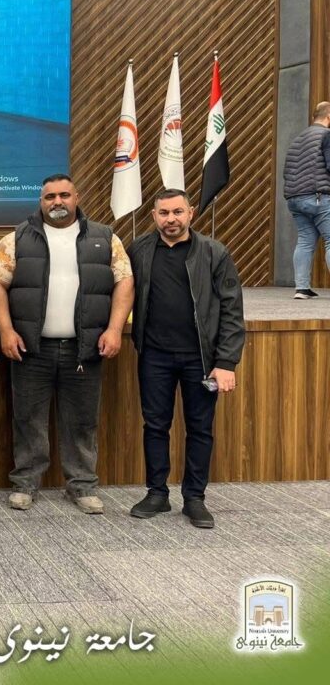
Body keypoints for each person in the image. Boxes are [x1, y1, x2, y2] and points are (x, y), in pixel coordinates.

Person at [0, 174, 134, 514]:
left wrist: (115, 329)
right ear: (41, 201)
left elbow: (125, 282)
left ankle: (82, 486)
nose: (57, 201)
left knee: (82, 420)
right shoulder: (16, 239)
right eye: (49, 196)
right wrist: (6, 330)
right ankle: (25, 483)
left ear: (76, 197)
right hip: (31, 349)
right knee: (28, 419)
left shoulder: (105, 238)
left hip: (84, 348)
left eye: (64, 195)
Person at [128, 189, 245, 528]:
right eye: (164, 213)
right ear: (154, 216)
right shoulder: (139, 250)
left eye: (177, 212)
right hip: (154, 355)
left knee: (200, 428)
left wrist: (226, 362)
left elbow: (232, 309)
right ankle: (157, 493)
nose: (171, 219)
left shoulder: (213, 252)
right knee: (155, 426)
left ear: (191, 213)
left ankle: (194, 498)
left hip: (201, 359)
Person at [282, 100, 330, 299]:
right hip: (318, 197)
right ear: (329, 117)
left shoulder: (298, 139)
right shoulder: (326, 135)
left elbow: (287, 170)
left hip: (295, 198)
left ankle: (301, 288)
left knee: (305, 241)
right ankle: (302, 287)